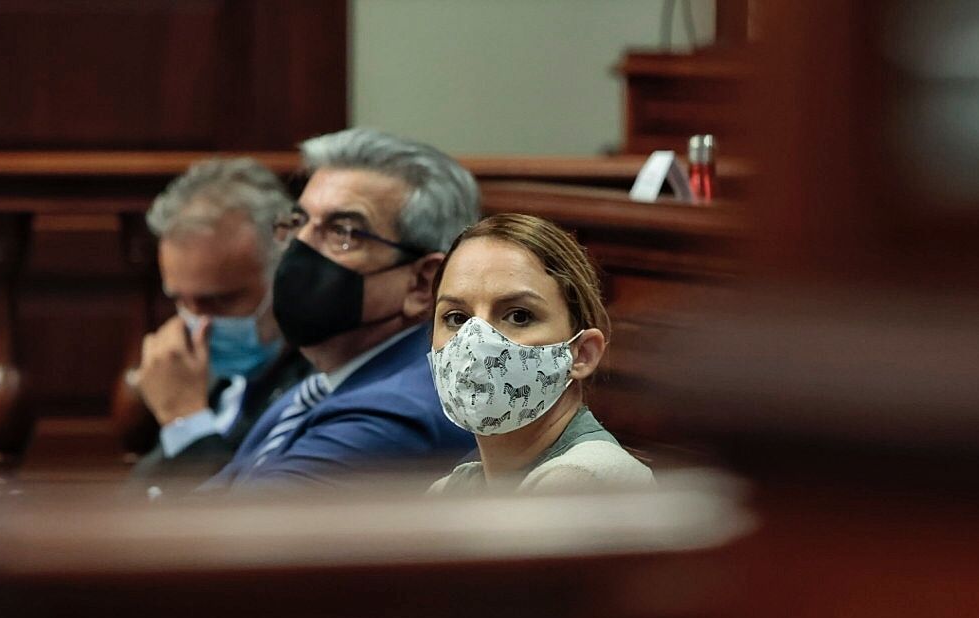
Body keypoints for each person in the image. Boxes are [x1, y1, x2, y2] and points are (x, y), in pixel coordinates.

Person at [204, 129, 477, 489]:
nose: (299, 247)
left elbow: (225, 535)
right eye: (299, 222)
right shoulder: (323, 381)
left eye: (343, 232)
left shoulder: (393, 413)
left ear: (423, 283)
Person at [426, 214, 654, 492]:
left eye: (519, 316)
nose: (475, 340)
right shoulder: (451, 490)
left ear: (582, 353)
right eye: (457, 318)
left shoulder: (586, 481)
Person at [131, 158, 309, 493]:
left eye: (220, 301)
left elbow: (238, 523)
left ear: (286, 274)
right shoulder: (212, 383)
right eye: (182, 301)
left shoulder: (321, 388)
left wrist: (184, 418)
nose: (199, 325)